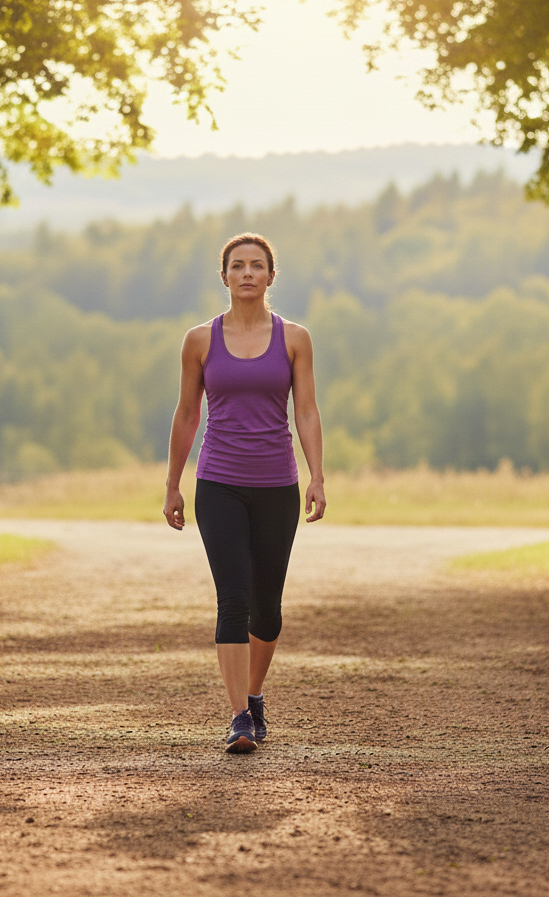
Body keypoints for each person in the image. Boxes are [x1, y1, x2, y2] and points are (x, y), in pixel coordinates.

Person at [163, 233, 326, 754]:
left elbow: (305, 411)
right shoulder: (200, 340)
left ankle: (254, 696)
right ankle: (238, 718)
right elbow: (187, 414)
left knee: (267, 608)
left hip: (278, 485)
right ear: (225, 276)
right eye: (238, 266)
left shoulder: (296, 338)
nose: (248, 273)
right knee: (231, 600)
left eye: (258, 266)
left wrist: (317, 475)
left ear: (271, 277)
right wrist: (172, 483)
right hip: (218, 484)